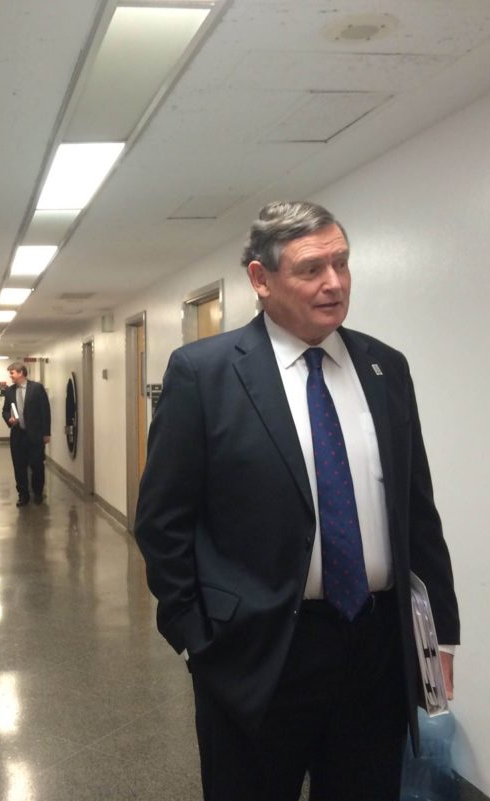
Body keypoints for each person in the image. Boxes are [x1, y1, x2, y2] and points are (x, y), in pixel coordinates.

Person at [134, 201, 459, 801]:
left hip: (375, 649)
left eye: (342, 263)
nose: (334, 282)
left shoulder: (386, 368)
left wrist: (438, 637)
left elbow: (417, 511)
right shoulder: (204, 375)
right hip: (257, 651)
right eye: (312, 269)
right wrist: (198, 640)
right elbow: (162, 522)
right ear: (261, 280)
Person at [2, 362, 51, 506]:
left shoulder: (37, 388)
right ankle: (23, 495)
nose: (10, 376)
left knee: (37, 465)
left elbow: (45, 411)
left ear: (21, 373)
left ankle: (37, 493)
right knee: (19, 466)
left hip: (35, 435)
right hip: (18, 435)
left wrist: (46, 433)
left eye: (12, 373)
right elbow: (5, 410)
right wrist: (8, 419)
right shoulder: (10, 391)